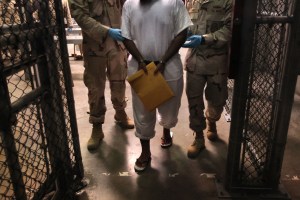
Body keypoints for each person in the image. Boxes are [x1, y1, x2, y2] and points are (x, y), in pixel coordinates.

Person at [121, 0, 192, 172]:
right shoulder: (130, 4)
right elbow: (126, 36)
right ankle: (145, 152)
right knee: (142, 111)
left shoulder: (174, 3)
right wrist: (139, 59)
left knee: (169, 110)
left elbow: (182, 33)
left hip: (168, 66)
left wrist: (163, 61)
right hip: (141, 67)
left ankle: (166, 131)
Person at [69, 0, 134, 151]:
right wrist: (106, 31)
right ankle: (97, 125)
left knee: (119, 80)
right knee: (95, 87)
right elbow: (79, 15)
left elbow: (127, 8)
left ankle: (120, 112)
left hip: (118, 43)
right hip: (94, 45)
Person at [182, 0, 232, 158]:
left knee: (217, 99)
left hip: (216, 60)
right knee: (194, 100)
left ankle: (212, 120)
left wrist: (205, 38)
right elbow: (186, 21)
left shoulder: (228, 2)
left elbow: (231, 29)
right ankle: (198, 137)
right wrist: (187, 31)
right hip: (195, 59)